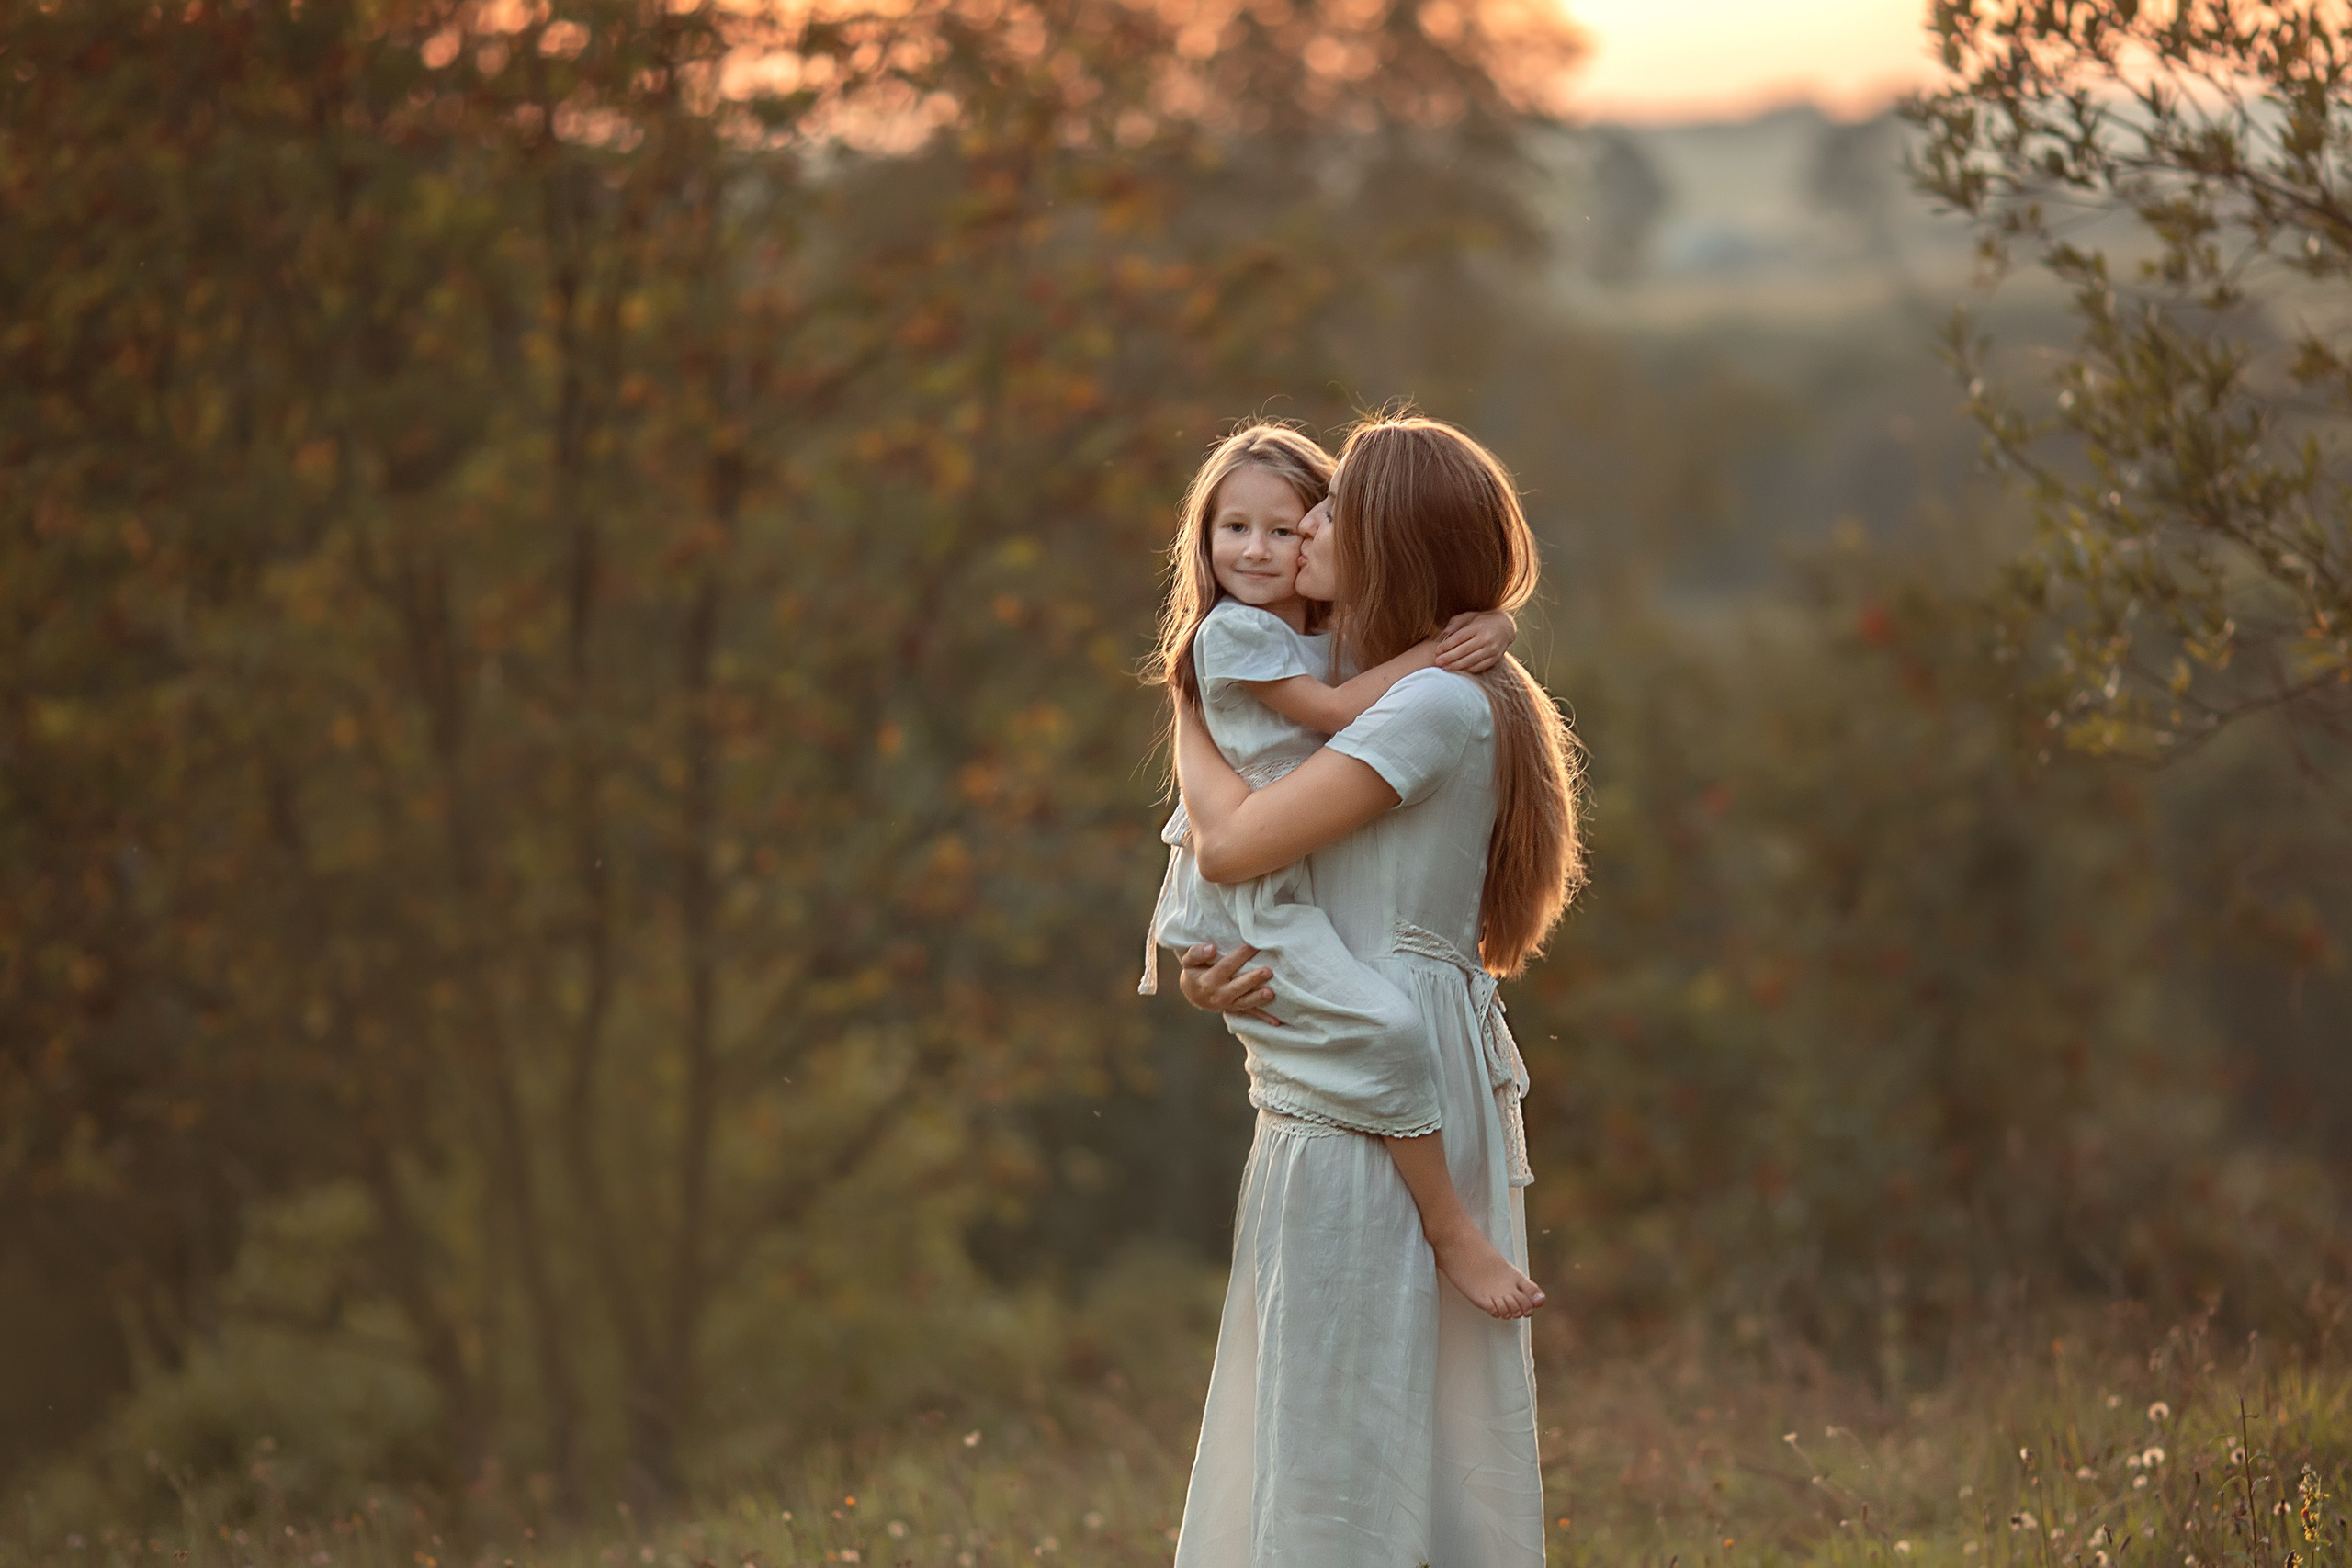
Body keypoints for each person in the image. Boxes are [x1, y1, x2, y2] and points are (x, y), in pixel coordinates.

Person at [1167, 413, 1585, 1568]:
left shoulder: (1435, 706)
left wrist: (1184, 718)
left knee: (1353, 1395)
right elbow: (1277, 886)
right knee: (1338, 1387)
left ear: (1390, 541)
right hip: (1341, 1043)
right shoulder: (1400, 686)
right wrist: (1217, 981)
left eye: (1333, 506)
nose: (1303, 522)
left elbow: (1235, 848)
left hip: (1376, 1067)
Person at [1144, 423, 1544, 1319]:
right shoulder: (1248, 642)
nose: (1277, 545)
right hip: (1262, 900)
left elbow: (1270, 806)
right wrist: (1189, 712)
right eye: (1234, 529)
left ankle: (1449, 1232)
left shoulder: (1413, 690)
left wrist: (1491, 620)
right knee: (1369, 1041)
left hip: (1340, 961)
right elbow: (1227, 847)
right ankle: (1451, 1231)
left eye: (1306, 522)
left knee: (1378, 1039)